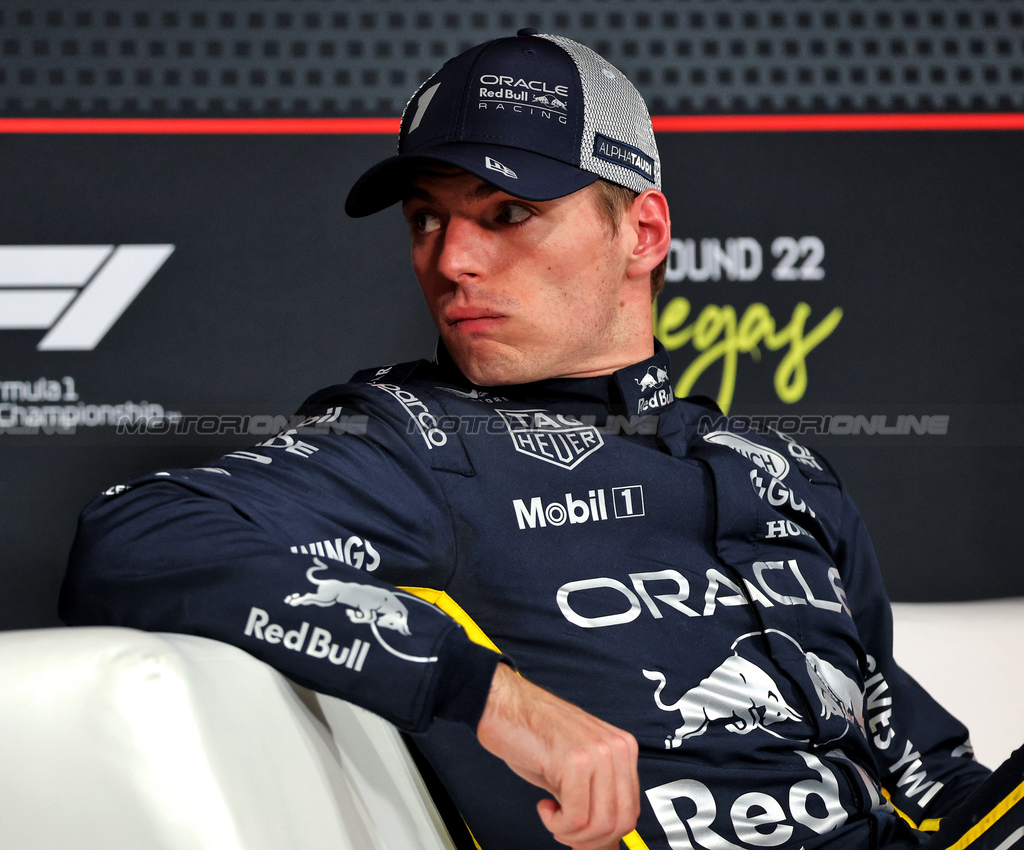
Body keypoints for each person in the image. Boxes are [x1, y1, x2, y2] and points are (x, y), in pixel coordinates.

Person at [61, 31, 1023, 850]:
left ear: (641, 231)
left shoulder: (782, 469)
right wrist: (489, 696)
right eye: (426, 219)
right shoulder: (408, 443)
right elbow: (134, 541)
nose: (450, 260)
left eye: (507, 214)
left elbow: (926, 774)